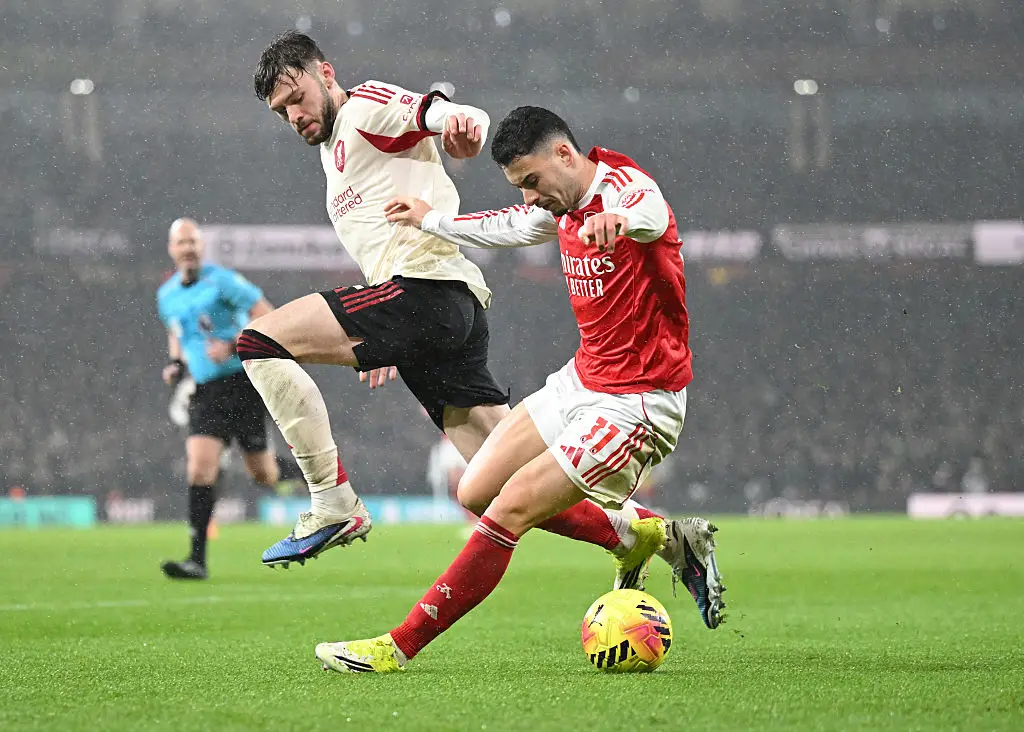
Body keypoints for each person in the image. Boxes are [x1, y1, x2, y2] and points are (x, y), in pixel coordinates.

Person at [241, 32, 686, 577]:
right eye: (281, 111)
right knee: (498, 483)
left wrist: (461, 121)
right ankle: (654, 534)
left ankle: (332, 502)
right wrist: (371, 329)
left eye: (297, 98)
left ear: (325, 73)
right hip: (434, 310)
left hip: (427, 296)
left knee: (258, 341)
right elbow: (384, 239)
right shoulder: (335, 155)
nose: (294, 116)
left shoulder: (363, 107)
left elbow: (437, 112)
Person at [314, 106, 727, 673]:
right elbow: (504, 226)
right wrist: (431, 219)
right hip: (581, 379)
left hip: (638, 403)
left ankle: (397, 646)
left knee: (509, 509)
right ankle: (644, 534)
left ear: (564, 154)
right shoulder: (558, 206)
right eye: (520, 187)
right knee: (476, 489)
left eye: (531, 182)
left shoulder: (625, 189)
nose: (530, 197)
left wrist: (618, 222)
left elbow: (649, 211)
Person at [157, 218, 278, 579]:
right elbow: (176, 332)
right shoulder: (166, 295)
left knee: (263, 474)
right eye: (181, 243)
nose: (188, 248)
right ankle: (197, 559)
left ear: (201, 246)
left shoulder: (222, 280)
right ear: (172, 249)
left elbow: (267, 314)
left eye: (193, 242)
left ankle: (307, 476)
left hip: (243, 381)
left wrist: (232, 343)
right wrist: (176, 363)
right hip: (207, 391)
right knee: (199, 467)